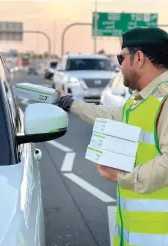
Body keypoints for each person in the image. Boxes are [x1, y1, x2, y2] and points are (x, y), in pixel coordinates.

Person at [56, 26, 168, 246]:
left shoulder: (165, 100)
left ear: (138, 58)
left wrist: (122, 177)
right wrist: (69, 104)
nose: (119, 66)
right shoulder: (144, 100)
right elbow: (114, 115)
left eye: (121, 57)